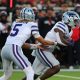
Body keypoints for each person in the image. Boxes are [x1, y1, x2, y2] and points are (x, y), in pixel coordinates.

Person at [21, 11, 80, 80]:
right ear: (68, 19)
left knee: (33, 75)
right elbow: (60, 40)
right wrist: (69, 43)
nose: (76, 22)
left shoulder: (70, 30)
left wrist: (69, 42)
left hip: (48, 50)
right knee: (56, 67)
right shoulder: (60, 24)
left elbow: (65, 41)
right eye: (75, 20)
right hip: (43, 49)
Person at [0, 7, 55, 80]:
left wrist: (36, 46)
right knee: (30, 72)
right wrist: (55, 43)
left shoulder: (16, 23)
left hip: (5, 49)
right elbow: (42, 41)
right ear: (30, 15)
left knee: (7, 76)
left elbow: (22, 44)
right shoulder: (32, 24)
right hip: (13, 49)